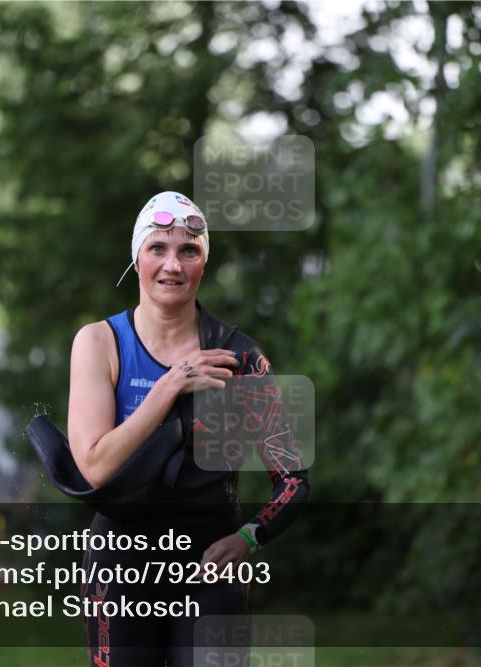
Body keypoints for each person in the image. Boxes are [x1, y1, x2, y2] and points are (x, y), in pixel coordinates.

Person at [67, 191, 310, 666]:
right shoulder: (99, 343)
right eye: (158, 247)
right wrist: (172, 383)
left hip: (210, 567)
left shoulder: (238, 357)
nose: (172, 265)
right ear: (136, 258)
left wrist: (248, 538)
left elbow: (293, 479)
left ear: (203, 264)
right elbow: (94, 466)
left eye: (189, 251)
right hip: (121, 564)